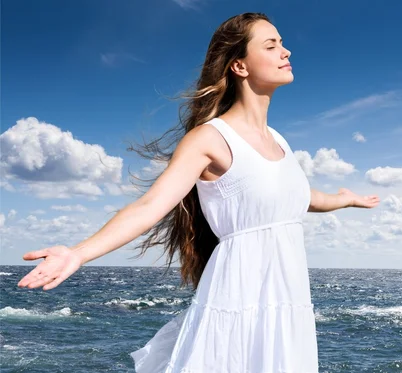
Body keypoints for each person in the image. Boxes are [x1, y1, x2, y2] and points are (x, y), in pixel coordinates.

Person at [17, 12, 380, 372]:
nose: (286, 52)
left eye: (283, 44)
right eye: (272, 45)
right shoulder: (210, 138)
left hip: (286, 301)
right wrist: (78, 254)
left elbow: (301, 197)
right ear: (240, 66)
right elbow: (151, 205)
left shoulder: (280, 142)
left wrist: (346, 199)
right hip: (239, 299)